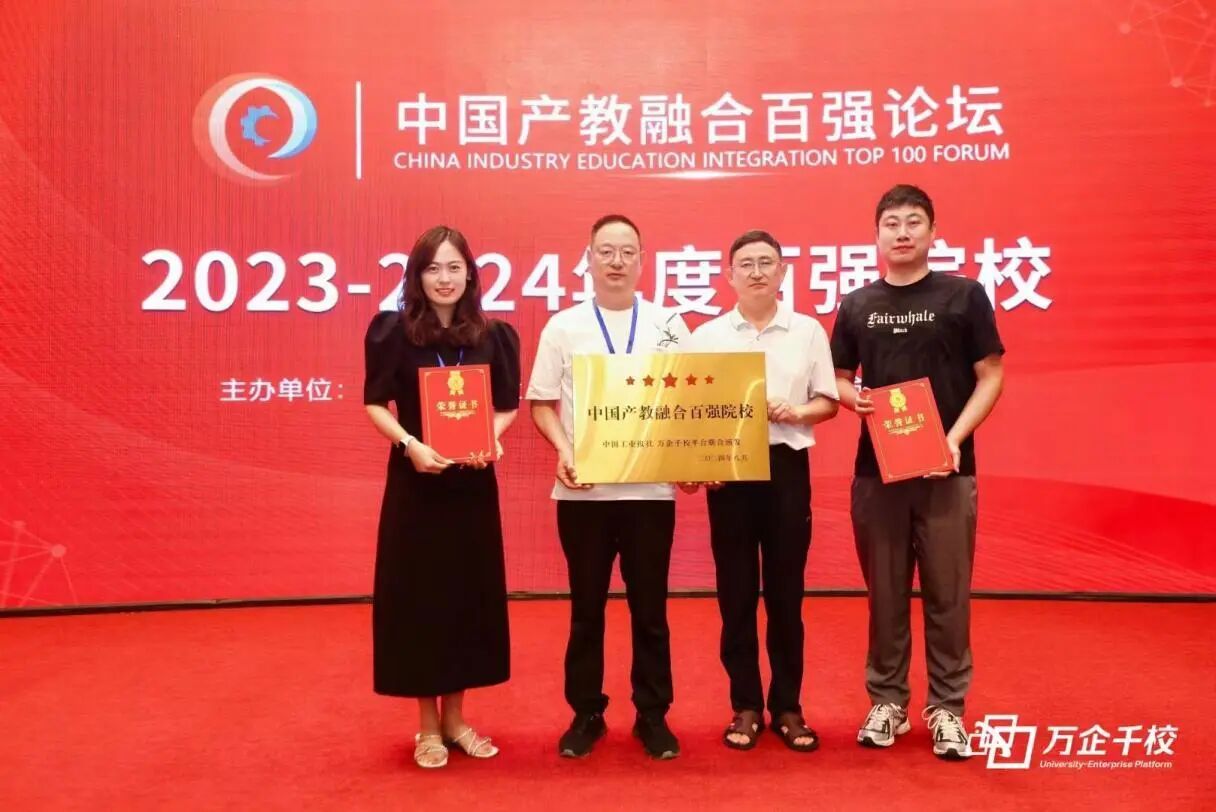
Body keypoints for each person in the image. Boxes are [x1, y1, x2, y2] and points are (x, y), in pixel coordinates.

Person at [830, 185, 1005, 759]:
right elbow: (839, 377)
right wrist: (853, 398)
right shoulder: (856, 304)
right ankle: (888, 702)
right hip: (877, 474)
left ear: (932, 231)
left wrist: (954, 439)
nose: (902, 232)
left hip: (948, 472)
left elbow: (991, 375)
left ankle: (948, 708)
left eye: (913, 222)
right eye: (891, 223)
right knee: (884, 595)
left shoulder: (964, 295)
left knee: (947, 596)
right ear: (876, 234)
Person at [527, 214, 690, 760]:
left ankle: (652, 715)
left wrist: (688, 459)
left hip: (650, 494)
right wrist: (565, 450)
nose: (616, 261)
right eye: (606, 251)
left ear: (643, 260)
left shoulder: (669, 324)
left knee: (651, 611)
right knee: (585, 609)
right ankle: (586, 714)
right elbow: (541, 403)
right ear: (589, 259)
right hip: (584, 494)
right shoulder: (564, 326)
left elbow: (688, 403)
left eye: (627, 252)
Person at [363, 225, 521, 769]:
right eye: (433, 268)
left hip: (471, 488)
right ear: (417, 275)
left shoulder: (493, 335)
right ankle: (427, 726)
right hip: (416, 485)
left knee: (465, 598)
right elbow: (375, 403)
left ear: (471, 274)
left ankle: (457, 720)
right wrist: (409, 444)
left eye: (455, 267)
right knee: (419, 599)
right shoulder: (393, 332)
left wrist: (490, 438)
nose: (444, 278)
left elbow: (507, 405)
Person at [681, 230, 838, 752]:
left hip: (786, 467)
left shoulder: (807, 330)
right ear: (729, 275)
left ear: (783, 272)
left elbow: (828, 402)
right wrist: (695, 464)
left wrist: (796, 411)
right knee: (736, 593)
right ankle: (745, 704)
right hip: (728, 472)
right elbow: (689, 412)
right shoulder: (706, 336)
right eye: (745, 264)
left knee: (787, 595)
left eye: (766, 262)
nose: (756, 272)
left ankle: (788, 707)